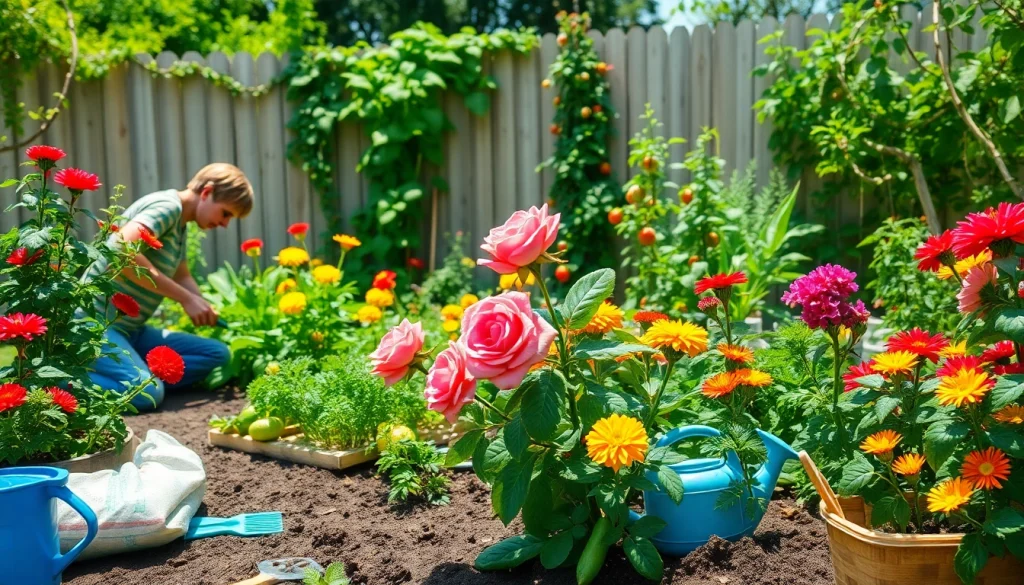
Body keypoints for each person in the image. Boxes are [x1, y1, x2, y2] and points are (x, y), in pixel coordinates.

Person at [85, 163, 254, 410]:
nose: (225, 224)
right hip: (97, 323)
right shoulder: (168, 207)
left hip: (131, 330)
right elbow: (120, 249)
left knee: (217, 354)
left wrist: (201, 303)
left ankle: (131, 371)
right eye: (226, 213)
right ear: (207, 192)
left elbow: (181, 275)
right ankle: (60, 380)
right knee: (146, 394)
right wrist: (186, 299)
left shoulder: (181, 224)